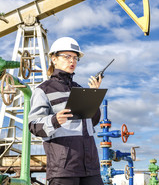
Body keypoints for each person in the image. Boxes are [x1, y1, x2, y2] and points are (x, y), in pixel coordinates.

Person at [28, 37, 104, 185]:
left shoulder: (79, 89)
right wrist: (54, 120)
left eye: (75, 58)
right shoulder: (43, 90)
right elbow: (33, 125)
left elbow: (92, 122)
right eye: (67, 56)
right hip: (64, 168)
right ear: (54, 59)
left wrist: (93, 95)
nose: (72, 61)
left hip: (91, 167)